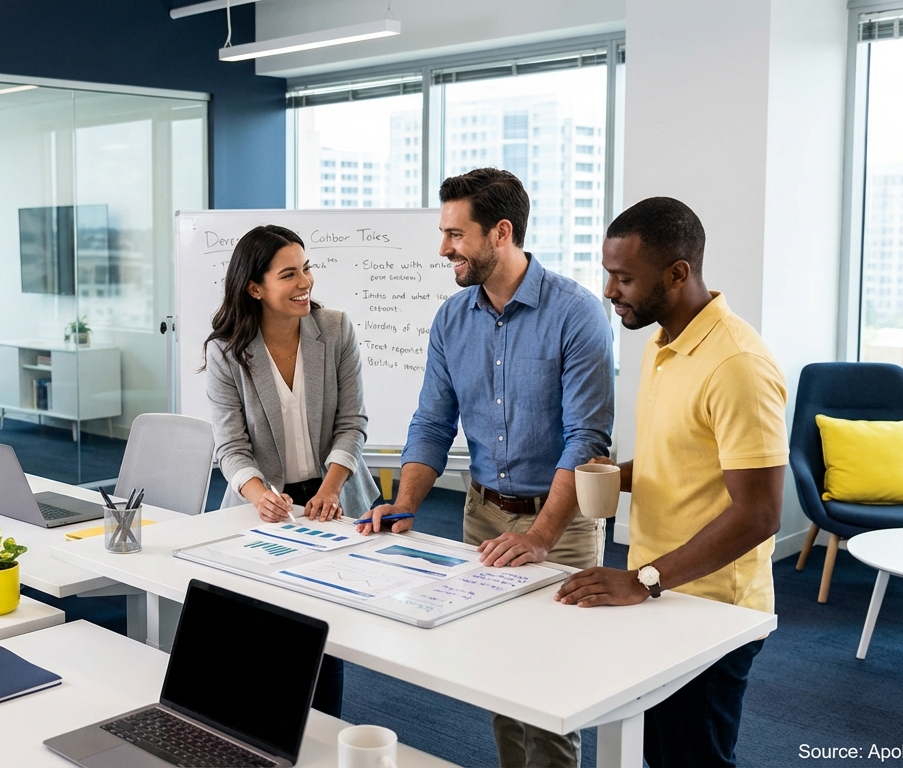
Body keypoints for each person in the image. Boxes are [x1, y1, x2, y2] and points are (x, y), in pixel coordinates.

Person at [358, 168, 614, 768]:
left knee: (551, 689)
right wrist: (405, 504)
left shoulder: (576, 314)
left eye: (454, 234)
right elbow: (431, 422)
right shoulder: (452, 318)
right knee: (500, 676)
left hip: (561, 523)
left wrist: (540, 537)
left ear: (501, 232)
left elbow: (587, 438)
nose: (443, 248)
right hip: (482, 517)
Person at [555, 197, 785, 768]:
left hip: (711, 610)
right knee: (653, 753)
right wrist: (616, 476)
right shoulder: (661, 345)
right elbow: (682, 461)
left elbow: (759, 513)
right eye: (609, 274)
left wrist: (645, 580)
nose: (610, 291)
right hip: (660, 591)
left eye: (624, 277)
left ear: (678, 273)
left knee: (693, 759)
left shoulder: (736, 365)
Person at [203, 223, 378, 718]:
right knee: (263, 629)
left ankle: (323, 729)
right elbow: (231, 446)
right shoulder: (226, 350)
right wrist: (260, 495)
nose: (305, 282)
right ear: (255, 288)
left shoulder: (337, 330)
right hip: (265, 509)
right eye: (289, 274)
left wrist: (328, 489)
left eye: (306, 268)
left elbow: (352, 424)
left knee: (325, 630)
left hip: (335, 500)